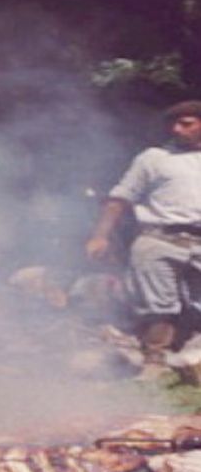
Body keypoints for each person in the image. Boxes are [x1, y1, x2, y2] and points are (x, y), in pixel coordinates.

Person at [86, 100, 201, 379]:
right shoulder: (154, 158)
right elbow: (120, 198)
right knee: (158, 305)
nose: (177, 129)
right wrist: (100, 236)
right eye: (174, 124)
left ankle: (191, 362)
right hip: (158, 238)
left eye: (186, 124)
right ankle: (155, 361)